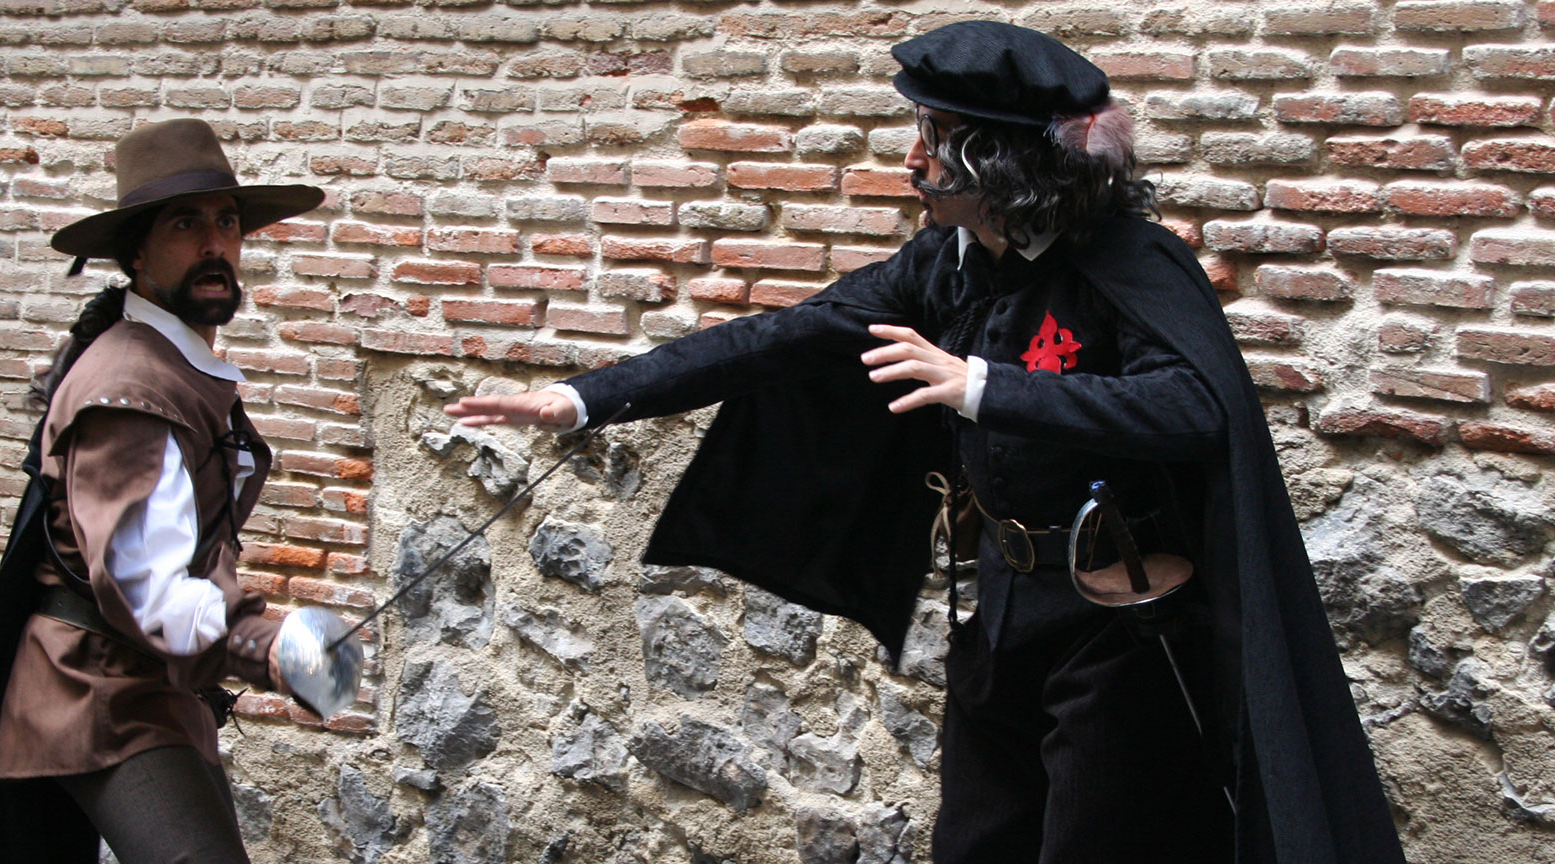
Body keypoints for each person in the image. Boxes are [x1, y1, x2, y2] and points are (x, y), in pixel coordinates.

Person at [446, 21, 1406, 864]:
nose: (914, 162)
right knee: (977, 843)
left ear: (1000, 161)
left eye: (935, 140)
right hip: (996, 612)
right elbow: (779, 335)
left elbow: (1197, 408)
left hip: (1119, 624)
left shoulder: (1128, 264)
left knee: (1099, 844)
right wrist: (580, 400)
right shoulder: (943, 266)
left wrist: (982, 387)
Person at [0, 118, 357, 864]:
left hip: (152, 681)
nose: (216, 245)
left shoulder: (169, 361)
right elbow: (148, 590)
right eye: (186, 224)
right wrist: (268, 645)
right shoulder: (129, 388)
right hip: (98, 691)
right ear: (136, 252)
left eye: (227, 222)